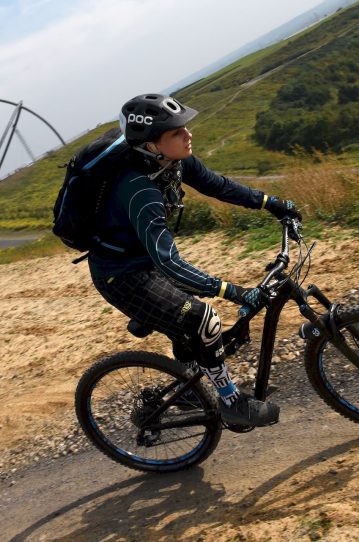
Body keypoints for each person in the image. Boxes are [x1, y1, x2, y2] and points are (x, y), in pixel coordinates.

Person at [87, 94, 301, 427]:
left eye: (184, 126)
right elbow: (169, 264)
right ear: (151, 146)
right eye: (175, 132)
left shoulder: (174, 163)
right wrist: (232, 291)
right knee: (205, 320)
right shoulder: (139, 190)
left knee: (188, 327)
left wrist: (272, 203)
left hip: (145, 263)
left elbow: (217, 185)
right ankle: (231, 403)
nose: (187, 134)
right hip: (122, 275)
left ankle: (187, 389)